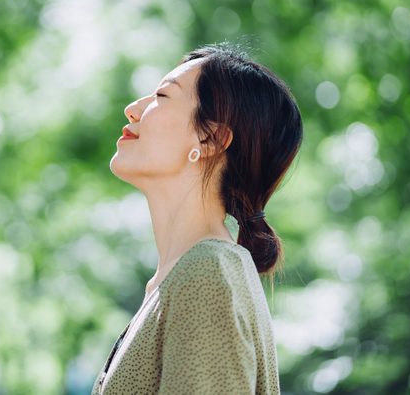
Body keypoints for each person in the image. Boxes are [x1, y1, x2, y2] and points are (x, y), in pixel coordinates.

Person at [91, 43, 304, 394]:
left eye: (161, 95)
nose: (132, 109)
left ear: (211, 138)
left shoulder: (207, 274)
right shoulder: (184, 278)